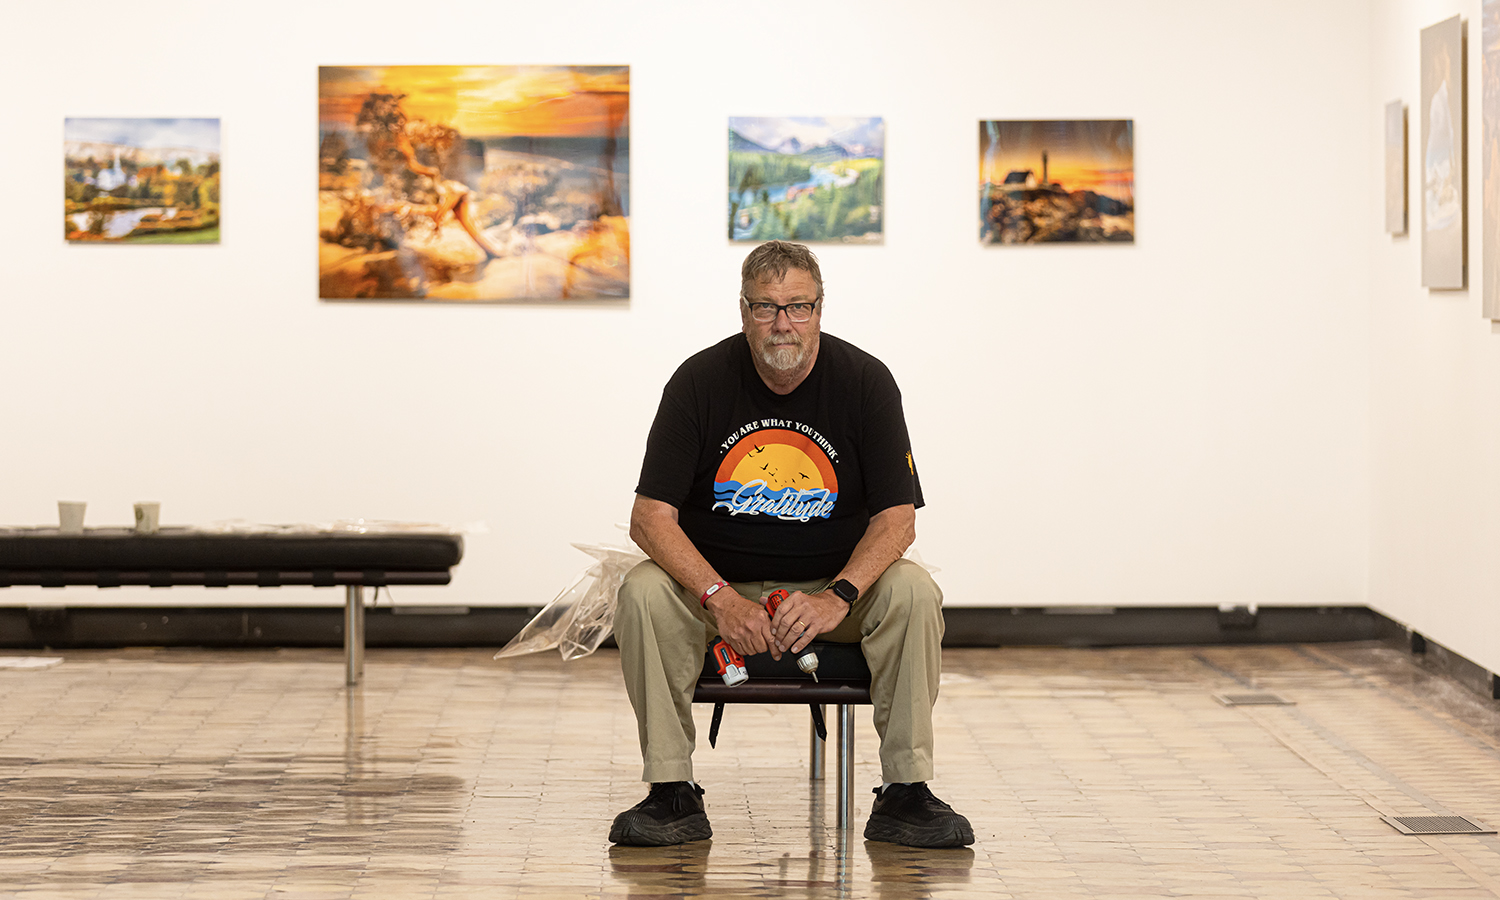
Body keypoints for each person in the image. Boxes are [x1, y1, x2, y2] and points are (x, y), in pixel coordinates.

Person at [609, 241, 973, 849]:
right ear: (744, 310)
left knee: (913, 589)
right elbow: (649, 519)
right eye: (766, 307)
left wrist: (838, 596)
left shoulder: (866, 381)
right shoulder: (698, 381)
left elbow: (897, 520)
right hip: (716, 592)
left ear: (820, 309)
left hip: (832, 590)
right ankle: (671, 791)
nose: (783, 324)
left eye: (798, 307)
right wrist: (720, 599)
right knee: (643, 590)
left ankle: (906, 794)